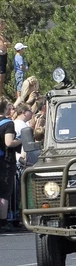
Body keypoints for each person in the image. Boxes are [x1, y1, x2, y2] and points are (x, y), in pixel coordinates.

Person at [0, 99, 22, 232]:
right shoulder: (8, 124)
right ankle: (3, 222)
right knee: (4, 193)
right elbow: (9, 142)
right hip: (5, 161)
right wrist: (20, 140)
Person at [0, 19, 9, 95]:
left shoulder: (2, 35)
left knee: (2, 78)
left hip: (3, 56)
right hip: (1, 56)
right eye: (3, 25)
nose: (4, 27)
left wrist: (6, 44)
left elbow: (8, 44)